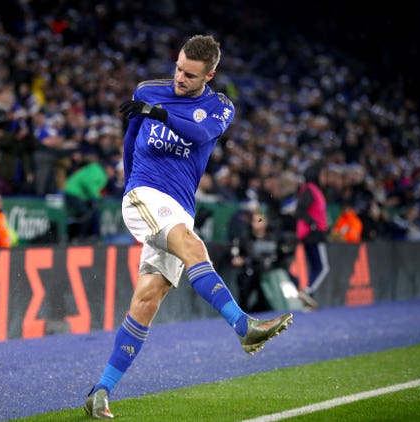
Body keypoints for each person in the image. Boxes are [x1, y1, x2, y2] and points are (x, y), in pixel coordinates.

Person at [84, 35, 293, 420]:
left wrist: (160, 115)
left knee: (146, 302)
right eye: (179, 68)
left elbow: (198, 135)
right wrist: (131, 187)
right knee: (195, 249)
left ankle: (101, 391)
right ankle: (242, 325)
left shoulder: (219, 107)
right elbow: (130, 141)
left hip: (179, 208)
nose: (180, 78)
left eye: (190, 74)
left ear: (209, 74)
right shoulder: (148, 90)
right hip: (144, 195)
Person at [295, 161, 330, 310]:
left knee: (315, 268)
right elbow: (300, 209)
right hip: (314, 234)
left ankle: (308, 301)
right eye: (323, 174)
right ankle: (307, 291)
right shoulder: (311, 189)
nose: (325, 178)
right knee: (323, 268)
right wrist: (313, 223)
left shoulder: (313, 190)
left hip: (312, 233)